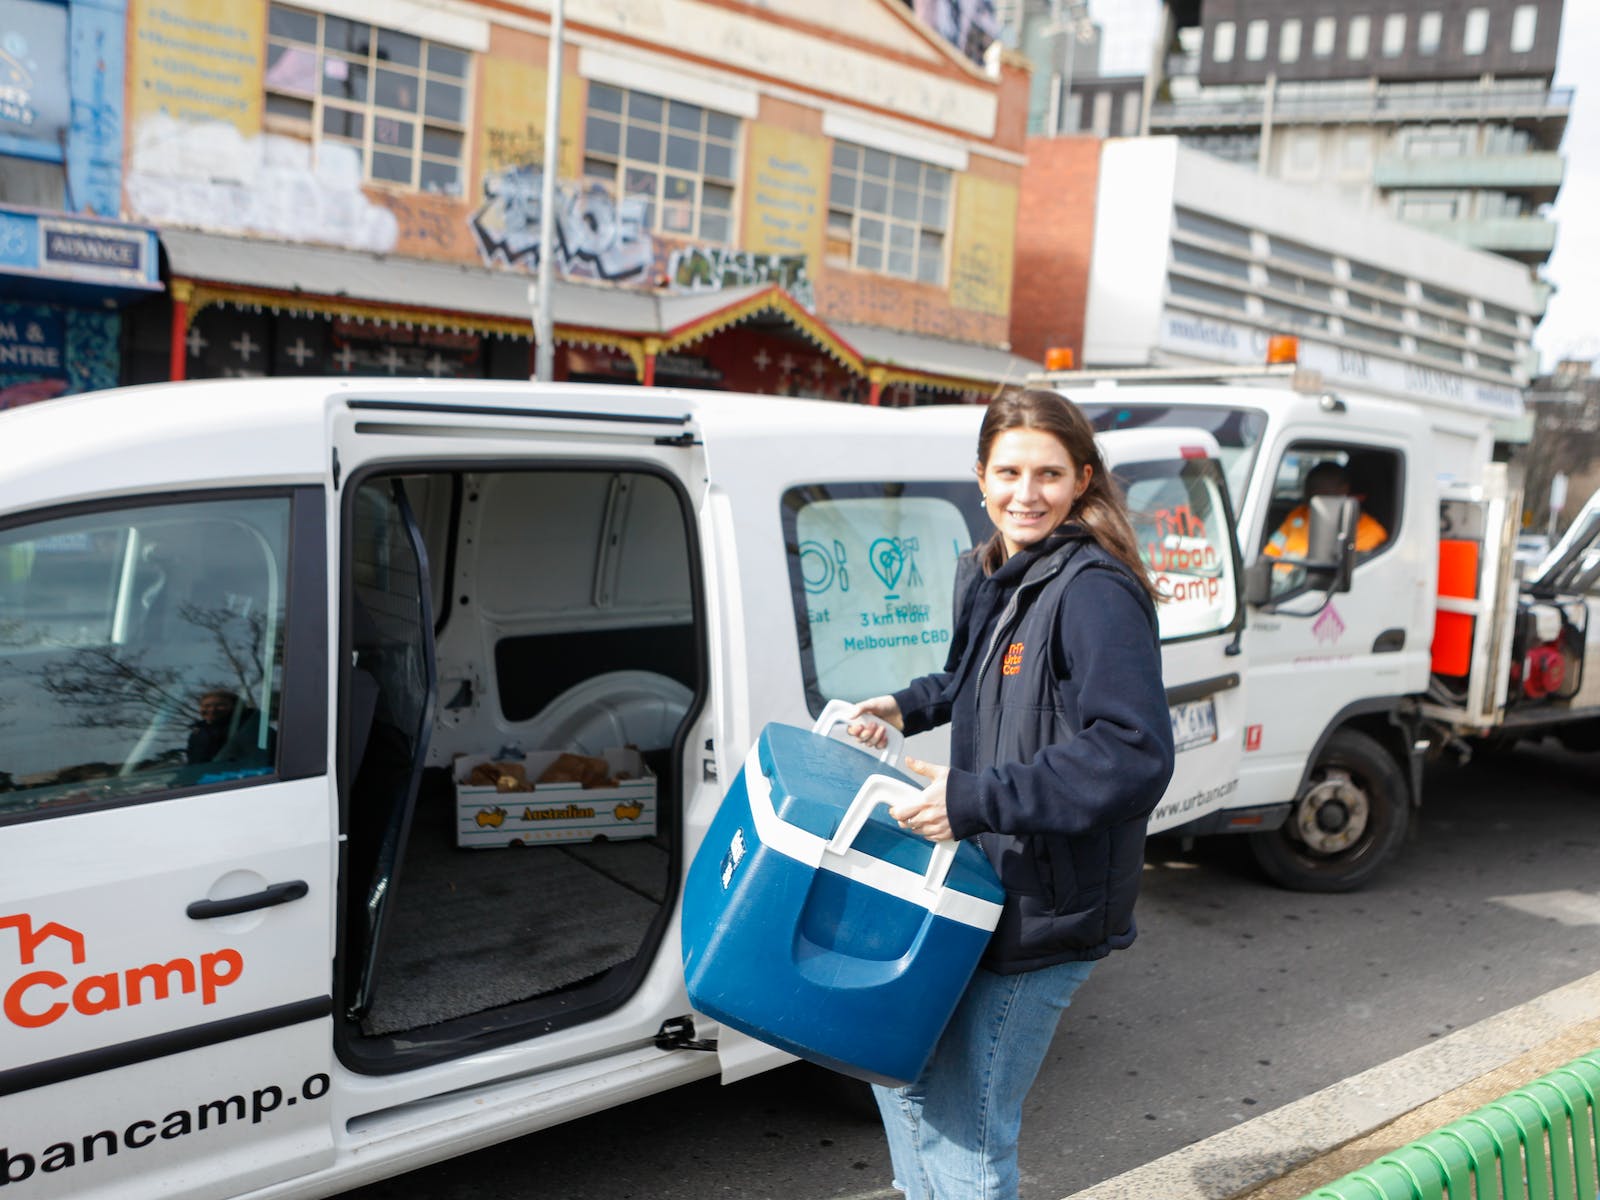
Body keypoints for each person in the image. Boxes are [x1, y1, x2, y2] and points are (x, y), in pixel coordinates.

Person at [844, 388, 1176, 1200]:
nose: (1027, 493)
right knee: (900, 1077)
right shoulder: (994, 568)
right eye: (1010, 472)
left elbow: (1134, 753)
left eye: (1049, 474)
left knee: (967, 1139)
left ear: (1083, 480)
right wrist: (904, 705)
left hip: (1045, 907)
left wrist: (974, 798)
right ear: (980, 478)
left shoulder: (1094, 589)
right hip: (980, 886)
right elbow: (969, 678)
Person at [1263, 460, 1387, 563]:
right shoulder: (1299, 514)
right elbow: (1272, 549)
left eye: (1318, 489)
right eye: (1308, 489)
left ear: (1344, 489)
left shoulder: (1371, 532)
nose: (1310, 497)